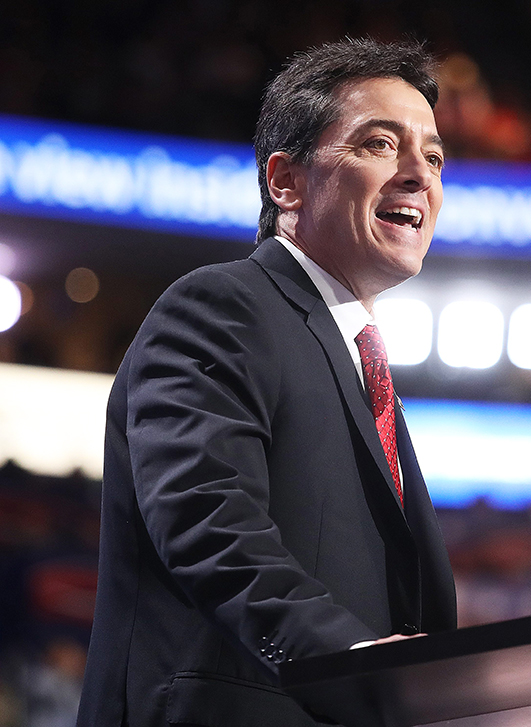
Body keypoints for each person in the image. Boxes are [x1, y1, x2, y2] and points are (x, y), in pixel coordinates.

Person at [77, 38, 457, 726]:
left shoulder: (360, 361)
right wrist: (353, 657)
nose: (418, 175)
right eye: (379, 144)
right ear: (286, 181)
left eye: (432, 157)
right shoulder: (223, 307)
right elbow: (208, 523)